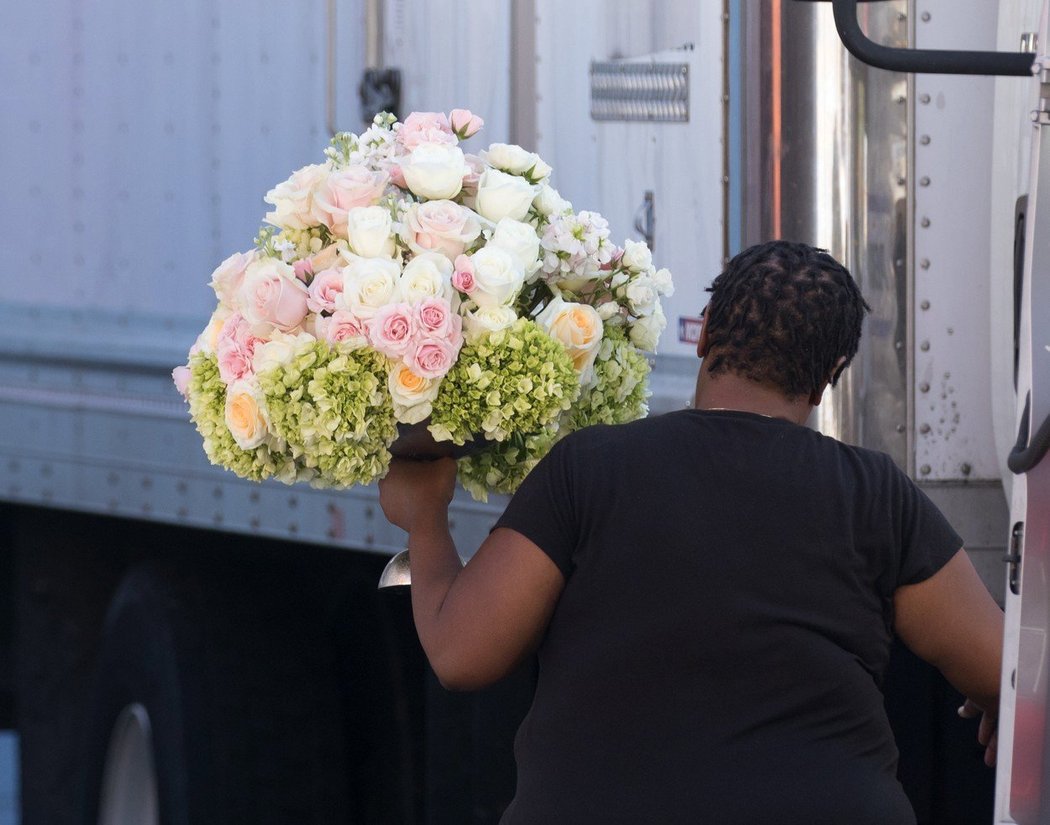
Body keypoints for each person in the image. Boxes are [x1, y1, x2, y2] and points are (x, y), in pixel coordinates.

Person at [379, 240, 1003, 824]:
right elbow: (1006, 670)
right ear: (826, 378)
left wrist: (426, 517)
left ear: (704, 332)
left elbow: (462, 654)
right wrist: (996, 699)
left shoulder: (590, 468)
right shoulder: (874, 493)